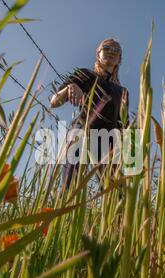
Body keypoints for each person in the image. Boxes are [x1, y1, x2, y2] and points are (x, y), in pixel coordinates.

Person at [50, 38, 130, 189]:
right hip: (83, 133)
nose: (111, 52)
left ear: (119, 59)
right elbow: (54, 102)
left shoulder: (123, 92)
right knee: (69, 186)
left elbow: (123, 125)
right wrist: (69, 88)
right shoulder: (85, 74)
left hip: (109, 143)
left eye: (116, 51)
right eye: (107, 48)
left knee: (116, 194)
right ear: (98, 53)